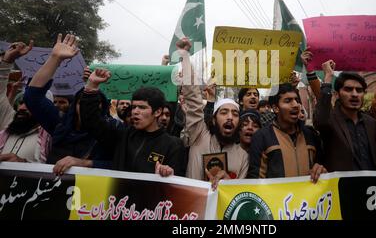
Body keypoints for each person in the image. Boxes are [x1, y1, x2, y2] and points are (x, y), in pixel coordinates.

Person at [24, 34, 116, 171]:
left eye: (95, 105)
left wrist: (84, 163)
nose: (89, 108)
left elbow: (120, 166)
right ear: (75, 105)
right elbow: (32, 97)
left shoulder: (112, 133)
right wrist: (55, 58)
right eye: (83, 103)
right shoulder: (60, 124)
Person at [79, 68, 186, 177]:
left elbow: (177, 182)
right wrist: (91, 86)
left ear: (158, 111)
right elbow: (91, 122)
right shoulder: (122, 136)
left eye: (142, 107)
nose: (135, 111)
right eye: (134, 107)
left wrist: (168, 174)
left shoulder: (173, 145)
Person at [178, 38, 248, 187]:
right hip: (193, 207)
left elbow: (240, 193)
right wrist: (184, 56)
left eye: (235, 114)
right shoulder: (199, 135)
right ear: (214, 119)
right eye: (224, 112)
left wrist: (228, 184)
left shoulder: (243, 156)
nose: (230, 117)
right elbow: (192, 98)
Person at [247, 83, 326, 183]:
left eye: (296, 100)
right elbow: (255, 181)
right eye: (288, 101)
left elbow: (321, 166)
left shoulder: (311, 135)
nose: (295, 105)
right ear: (275, 108)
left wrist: (320, 170)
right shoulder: (261, 137)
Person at [314, 60, 376, 172]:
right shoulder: (330, 121)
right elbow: (320, 120)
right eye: (348, 89)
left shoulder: (372, 123)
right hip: (341, 187)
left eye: (359, 90)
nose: (355, 94)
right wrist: (328, 78)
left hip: (371, 187)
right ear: (337, 94)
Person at [0, 40, 51, 163]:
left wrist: (22, 163)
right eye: (22, 102)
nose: (22, 108)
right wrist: (7, 61)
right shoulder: (9, 121)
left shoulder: (52, 134)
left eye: (30, 105)